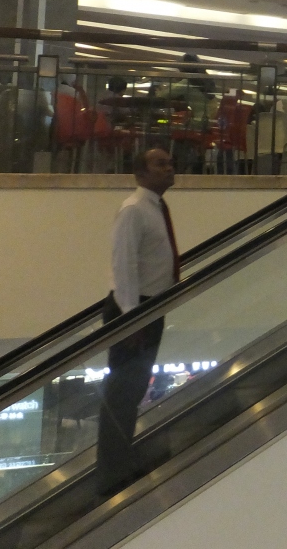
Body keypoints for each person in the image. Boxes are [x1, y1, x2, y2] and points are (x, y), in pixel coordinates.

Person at [97, 147, 179, 496]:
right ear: (141, 173)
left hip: (149, 308)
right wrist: (132, 317)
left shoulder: (155, 208)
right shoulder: (133, 210)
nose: (169, 167)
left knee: (131, 392)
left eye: (169, 162)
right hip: (134, 309)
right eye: (160, 163)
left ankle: (122, 462)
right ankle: (112, 475)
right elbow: (124, 265)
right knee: (121, 394)